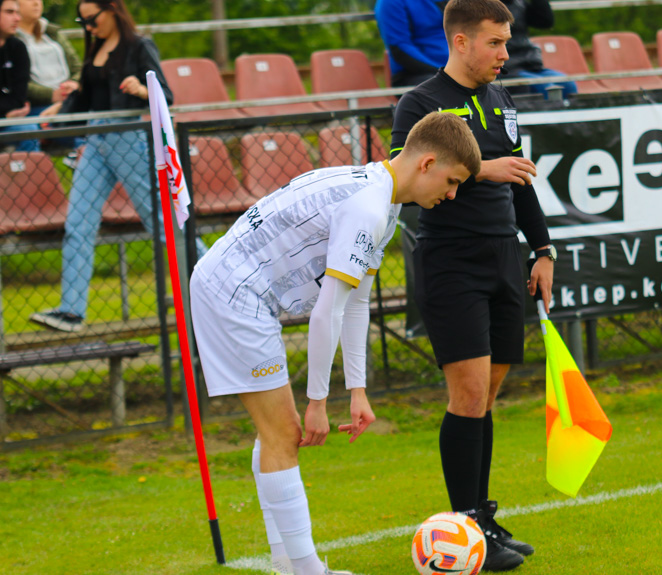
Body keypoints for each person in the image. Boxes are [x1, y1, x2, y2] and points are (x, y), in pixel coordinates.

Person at [189, 112, 482, 575]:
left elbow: (356, 303)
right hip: (233, 291)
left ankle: (288, 563)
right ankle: (306, 570)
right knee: (284, 433)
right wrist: (318, 401)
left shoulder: (382, 200)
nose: (451, 195)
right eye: (452, 181)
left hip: (236, 287)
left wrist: (358, 391)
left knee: (274, 433)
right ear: (426, 163)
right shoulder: (369, 207)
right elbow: (326, 312)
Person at [390, 0, 554, 570]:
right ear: (460, 43)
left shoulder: (500, 97)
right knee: (466, 396)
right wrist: (482, 167)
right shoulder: (420, 102)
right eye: (495, 44)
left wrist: (543, 249)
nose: (506, 54)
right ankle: (464, 531)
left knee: (485, 398)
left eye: (507, 43)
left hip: (505, 257)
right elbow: (405, 172)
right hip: (451, 262)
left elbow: (522, 180)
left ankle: (481, 520)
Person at [29, 0, 205, 333]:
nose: (88, 27)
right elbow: (85, 97)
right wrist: (58, 112)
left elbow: (165, 96)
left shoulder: (139, 45)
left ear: (112, 10)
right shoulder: (94, 45)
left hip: (126, 139)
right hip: (96, 141)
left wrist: (141, 89)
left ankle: (215, 276)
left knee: (161, 219)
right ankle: (71, 310)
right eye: (83, 21)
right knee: (78, 222)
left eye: (92, 19)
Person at [16, 0, 82, 160]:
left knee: (99, 124)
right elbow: (17, 82)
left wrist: (74, 83)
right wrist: (51, 95)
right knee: (77, 134)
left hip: (69, 100)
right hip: (36, 107)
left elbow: (78, 67)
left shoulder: (52, 33)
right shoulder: (11, 40)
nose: (36, 3)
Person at [501, 0, 578, 98]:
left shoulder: (518, 3)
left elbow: (545, 21)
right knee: (545, 88)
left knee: (568, 85)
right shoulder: (486, 7)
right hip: (507, 66)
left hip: (530, 64)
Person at [375, 0, 449, 87]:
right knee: (446, 88)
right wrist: (442, 72)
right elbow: (400, 49)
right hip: (414, 74)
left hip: (454, 70)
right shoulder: (390, 2)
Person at [0, 0, 40, 152]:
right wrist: (5, 113)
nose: (17, 18)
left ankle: (31, 175)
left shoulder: (17, 47)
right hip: (8, 116)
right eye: (10, 12)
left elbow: (19, 96)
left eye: (18, 13)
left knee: (30, 127)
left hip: (12, 118)